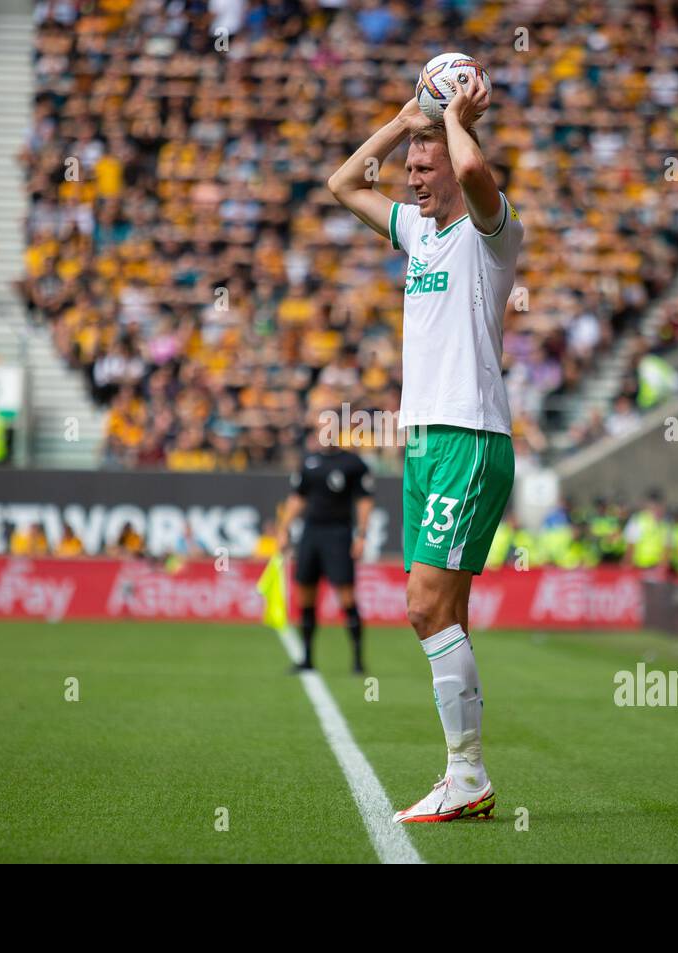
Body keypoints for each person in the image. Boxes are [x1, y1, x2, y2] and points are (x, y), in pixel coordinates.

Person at [328, 75, 521, 823]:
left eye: (423, 157)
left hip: (470, 435)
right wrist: (402, 121)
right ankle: (464, 775)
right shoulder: (417, 230)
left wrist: (458, 122)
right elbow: (343, 182)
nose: (412, 169)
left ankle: (467, 774)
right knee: (449, 613)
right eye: (409, 158)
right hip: (426, 439)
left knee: (421, 607)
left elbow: (475, 173)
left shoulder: (491, 229)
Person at [275, 415, 375, 674]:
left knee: (346, 596)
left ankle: (358, 659)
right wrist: (284, 529)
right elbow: (297, 498)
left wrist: (362, 535)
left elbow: (364, 501)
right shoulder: (308, 463)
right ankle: (307, 658)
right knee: (305, 593)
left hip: (338, 534)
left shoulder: (353, 464)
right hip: (311, 533)